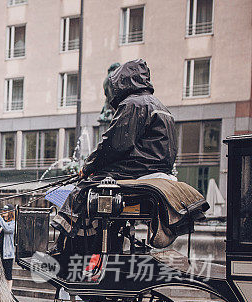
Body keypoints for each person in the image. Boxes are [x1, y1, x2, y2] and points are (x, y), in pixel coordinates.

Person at [52, 58, 177, 260]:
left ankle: (67, 239)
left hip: (140, 167)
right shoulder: (158, 104)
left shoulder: (133, 104)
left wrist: (88, 166)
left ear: (123, 82)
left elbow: (114, 144)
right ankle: (103, 238)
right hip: (154, 166)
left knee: (85, 187)